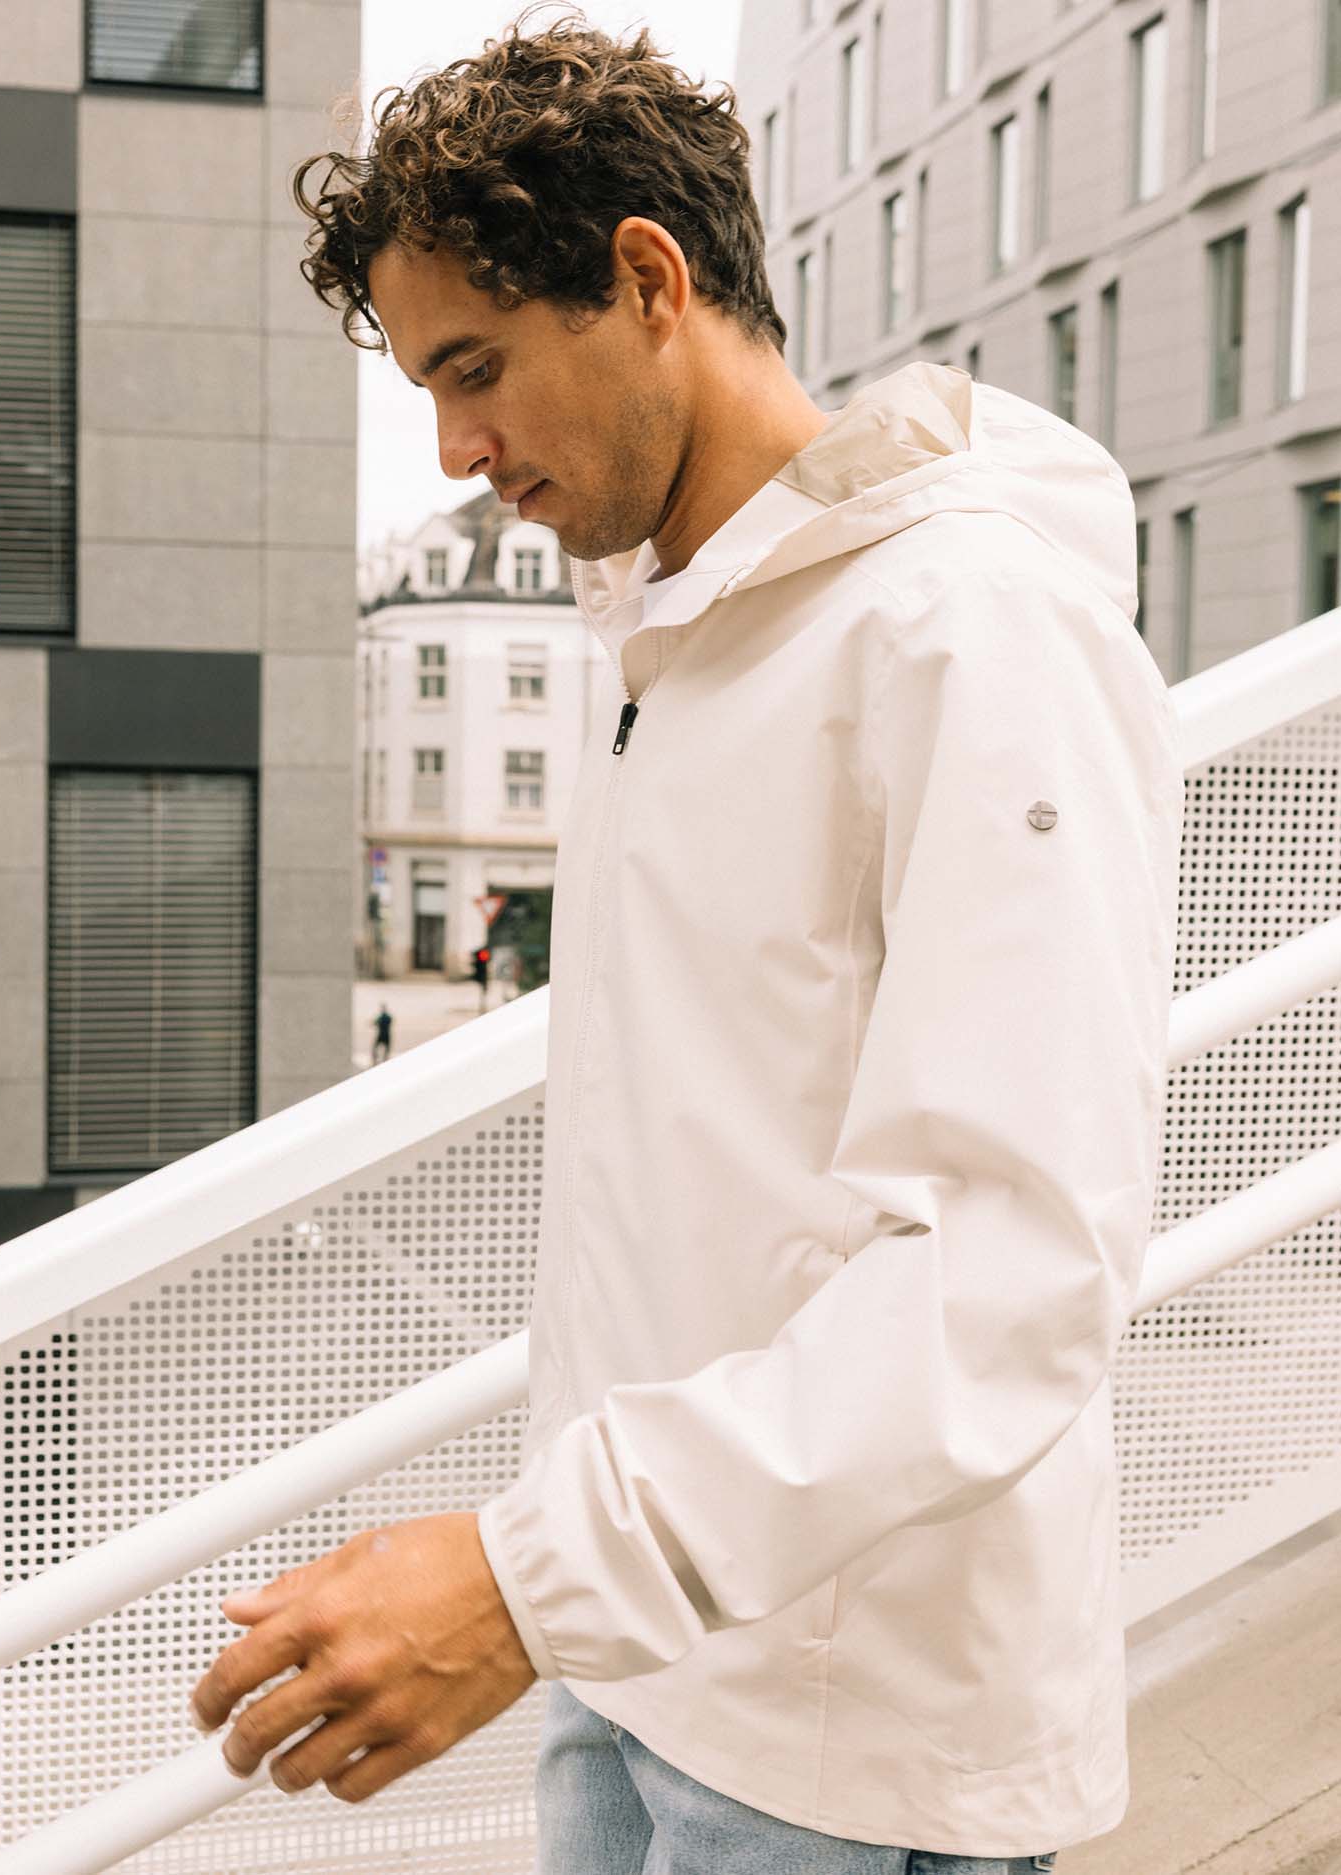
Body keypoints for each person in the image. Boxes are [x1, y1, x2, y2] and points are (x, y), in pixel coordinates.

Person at [188, 11, 1184, 1871]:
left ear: (649, 281)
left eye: (476, 368)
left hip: (846, 1743)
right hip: (638, 1666)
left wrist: (527, 1574)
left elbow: (1013, 1264)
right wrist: (570, 1585)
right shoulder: (675, 639)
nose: (460, 448)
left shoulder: (972, 633)